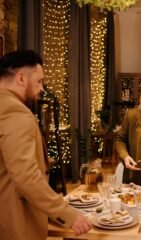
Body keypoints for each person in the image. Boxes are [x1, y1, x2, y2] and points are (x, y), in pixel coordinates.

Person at [0, 50, 92, 239]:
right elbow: (26, 175)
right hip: (14, 220)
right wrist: (67, 214)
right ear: (21, 78)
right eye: (39, 81)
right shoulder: (16, 112)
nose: (42, 88)